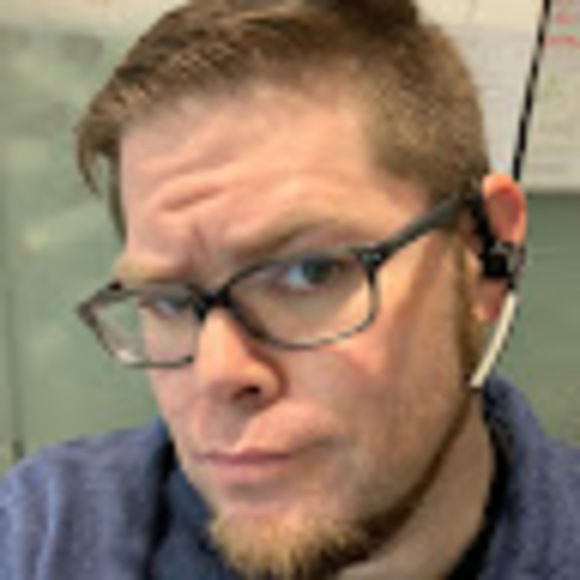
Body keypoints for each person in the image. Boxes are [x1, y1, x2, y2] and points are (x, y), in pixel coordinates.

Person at [1, 0, 580, 578]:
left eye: (309, 272)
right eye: (168, 301)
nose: (219, 375)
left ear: (483, 253)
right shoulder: (43, 534)